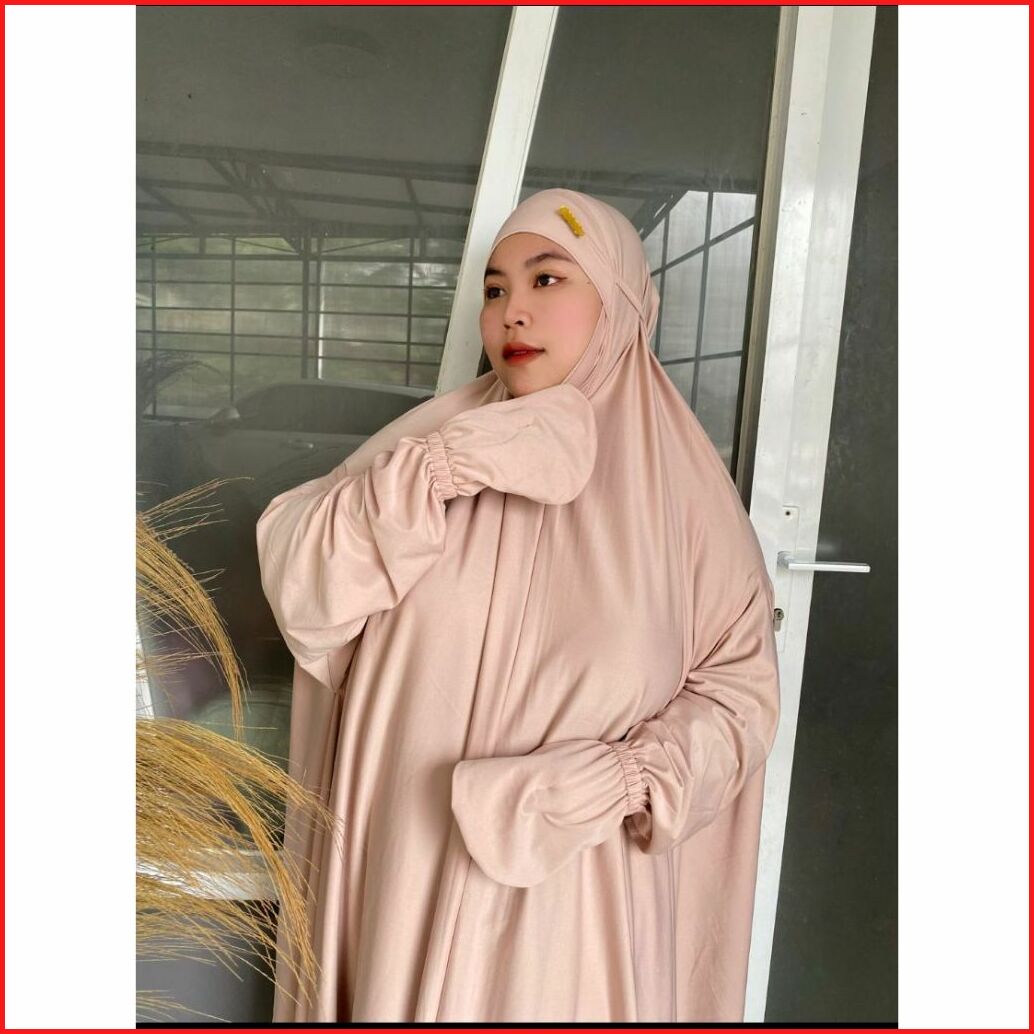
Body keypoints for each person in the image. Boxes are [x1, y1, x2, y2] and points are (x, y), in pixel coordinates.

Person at [255, 188, 781, 1022]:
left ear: (618, 303)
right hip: (408, 855)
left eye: (547, 279)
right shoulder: (437, 442)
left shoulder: (689, 504)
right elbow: (304, 576)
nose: (512, 312)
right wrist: (444, 468)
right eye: (495, 289)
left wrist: (622, 780)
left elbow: (739, 696)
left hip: (572, 889)